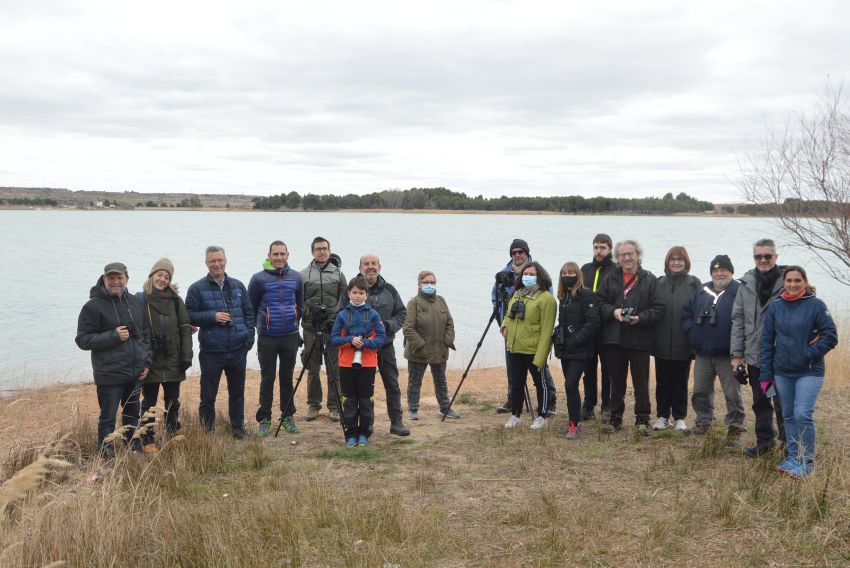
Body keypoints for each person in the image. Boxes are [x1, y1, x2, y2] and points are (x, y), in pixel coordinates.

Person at [761, 266, 837, 478]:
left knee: (802, 413)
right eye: (789, 281)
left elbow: (831, 336)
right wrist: (765, 375)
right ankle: (794, 457)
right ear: (783, 283)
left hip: (809, 371)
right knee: (788, 415)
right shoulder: (776, 307)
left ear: (804, 282)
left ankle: (807, 460)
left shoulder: (816, 305)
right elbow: (766, 343)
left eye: (797, 280)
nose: (793, 284)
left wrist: (809, 353)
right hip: (782, 372)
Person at [76, 262, 151, 459]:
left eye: (120, 278)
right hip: (109, 374)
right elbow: (82, 340)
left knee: (132, 415)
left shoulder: (135, 302)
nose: (116, 282)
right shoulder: (92, 306)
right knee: (107, 419)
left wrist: (147, 363)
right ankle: (107, 454)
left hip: (135, 373)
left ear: (127, 278)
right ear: (104, 279)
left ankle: (133, 448)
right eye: (111, 278)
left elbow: (145, 334)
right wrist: (113, 336)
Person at [596, 240, 665, 436]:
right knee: (616, 381)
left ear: (637, 255)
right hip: (614, 339)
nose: (627, 257)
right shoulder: (610, 278)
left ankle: (642, 420)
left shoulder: (649, 279)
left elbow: (659, 309)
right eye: (622, 254)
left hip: (639, 338)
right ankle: (615, 418)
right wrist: (614, 312)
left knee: (641, 382)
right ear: (617, 258)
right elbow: (599, 303)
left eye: (630, 253)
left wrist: (640, 318)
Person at [186, 246, 255, 439]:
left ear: (225, 260)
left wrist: (248, 339)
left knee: (237, 393)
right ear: (206, 263)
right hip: (211, 351)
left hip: (237, 349)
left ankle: (238, 430)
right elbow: (188, 315)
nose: (217, 264)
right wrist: (212, 316)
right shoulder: (196, 288)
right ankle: (208, 433)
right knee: (208, 396)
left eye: (220, 260)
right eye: (212, 261)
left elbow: (249, 313)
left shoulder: (238, 286)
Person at [339, 255, 410, 436]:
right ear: (360, 267)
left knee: (392, 384)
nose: (370, 267)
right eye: (366, 264)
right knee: (358, 391)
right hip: (357, 350)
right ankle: (359, 428)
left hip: (384, 346)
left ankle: (396, 422)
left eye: (373, 264)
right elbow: (339, 316)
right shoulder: (350, 290)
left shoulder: (390, 290)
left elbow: (402, 313)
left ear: (379, 267)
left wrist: (388, 326)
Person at [731, 238, 786, 457]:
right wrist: (736, 355)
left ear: (776, 257)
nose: (763, 260)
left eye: (767, 256)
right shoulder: (746, 283)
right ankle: (765, 443)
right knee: (760, 402)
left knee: (783, 405)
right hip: (754, 358)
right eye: (758, 256)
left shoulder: (789, 281)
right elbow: (738, 319)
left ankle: (789, 446)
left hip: (781, 357)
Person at [682, 255, 745, 443]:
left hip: (729, 355)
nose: (720, 273)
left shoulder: (739, 291)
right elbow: (685, 314)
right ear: (711, 273)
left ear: (731, 272)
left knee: (732, 394)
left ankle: (735, 428)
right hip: (703, 353)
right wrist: (692, 333)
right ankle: (703, 422)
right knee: (700, 391)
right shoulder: (701, 291)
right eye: (716, 270)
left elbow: (748, 320)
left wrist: (740, 352)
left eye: (724, 270)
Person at [492, 238, 557, 415]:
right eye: (514, 253)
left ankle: (549, 399)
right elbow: (495, 298)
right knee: (513, 366)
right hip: (511, 328)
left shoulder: (538, 272)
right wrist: (502, 324)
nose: (517, 255)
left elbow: (547, 299)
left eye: (521, 252)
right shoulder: (504, 273)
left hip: (532, 330)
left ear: (527, 254)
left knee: (539, 366)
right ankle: (513, 399)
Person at [136, 258, 193, 453]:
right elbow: (136, 331)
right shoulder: (140, 299)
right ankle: (147, 438)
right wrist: (140, 360)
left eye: (166, 277)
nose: (162, 279)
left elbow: (185, 328)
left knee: (172, 400)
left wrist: (187, 356)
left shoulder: (176, 301)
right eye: (159, 275)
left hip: (172, 359)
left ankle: (171, 430)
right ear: (152, 275)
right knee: (149, 402)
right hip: (150, 360)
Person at [248, 241, 304, 437]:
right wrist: (259, 326)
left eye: (282, 254)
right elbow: (251, 308)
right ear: (269, 255)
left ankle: (288, 416)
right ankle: (265, 418)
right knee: (267, 378)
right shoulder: (258, 279)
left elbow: (300, 303)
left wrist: (295, 321)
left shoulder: (296, 277)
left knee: (287, 378)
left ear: (288, 255)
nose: (279, 258)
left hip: (290, 335)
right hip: (267, 337)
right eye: (275, 254)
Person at [330, 277, 387, 446]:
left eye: (361, 293)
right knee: (349, 399)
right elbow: (333, 339)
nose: (357, 296)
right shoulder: (342, 314)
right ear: (348, 294)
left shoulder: (374, 314)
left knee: (365, 399)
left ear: (366, 295)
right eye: (354, 292)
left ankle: (365, 432)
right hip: (346, 363)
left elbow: (382, 338)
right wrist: (350, 340)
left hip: (368, 363)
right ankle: (351, 432)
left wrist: (365, 343)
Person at [651, 246, 700, 431]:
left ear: (686, 262)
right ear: (667, 262)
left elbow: (698, 314)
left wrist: (694, 341)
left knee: (681, 381)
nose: (677, 262)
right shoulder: (659, 282)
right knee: (662, 382)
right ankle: (662, 416)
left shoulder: (694, 283)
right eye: (673, 259)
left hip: (684, 342)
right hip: (661, 342)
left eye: (680, 259)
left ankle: (679, 417)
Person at [301, 237, 347, 422]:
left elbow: (344, 300)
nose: (322, 252)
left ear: (329, 251)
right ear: (312, 252)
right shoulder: (303, 274)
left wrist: (334, 319)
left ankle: (335, 406)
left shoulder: (338, 274)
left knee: (334, 369)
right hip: (310, 328)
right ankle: (313, 405)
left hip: (333, 329)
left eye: (325, 249)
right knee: (313, 368)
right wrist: (308, 311)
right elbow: (299, 299)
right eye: (318, 249)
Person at [552, 262, 600, 439]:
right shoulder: (563, 297)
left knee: (570, 385)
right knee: (570, 387)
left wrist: (576, 340)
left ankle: (575, 425)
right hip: (566, 350)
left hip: (581, 350)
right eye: (564, 273)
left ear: (578, 274)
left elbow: (593, 323)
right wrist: (558, 335)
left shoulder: (586, 295)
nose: (567, 275)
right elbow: (563, 323)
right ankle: (573, 420)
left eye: (571, 272)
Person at [403, 270, 458, 420]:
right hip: (418, 351)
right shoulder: (413, 303)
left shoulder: (441, 300)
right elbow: (408, 328)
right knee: (415, 381)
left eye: (432, 282)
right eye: (426, 282)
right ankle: (413, 409)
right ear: (419, 284)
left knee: (441, 380)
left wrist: (448, 340)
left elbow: (449, 323)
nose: (429, 285)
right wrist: (420, 344)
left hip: (439, 349)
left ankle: (445, 407)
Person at [579, 233, 615, 420]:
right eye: (596, 247)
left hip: (607, 327)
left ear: (610, 249)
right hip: (588, 328)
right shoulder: (585, 269)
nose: (599, 251)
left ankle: (607, 405)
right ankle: (588, 404)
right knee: (588, 367)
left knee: (608, 369)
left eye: (602, 247)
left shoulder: (615, 270)